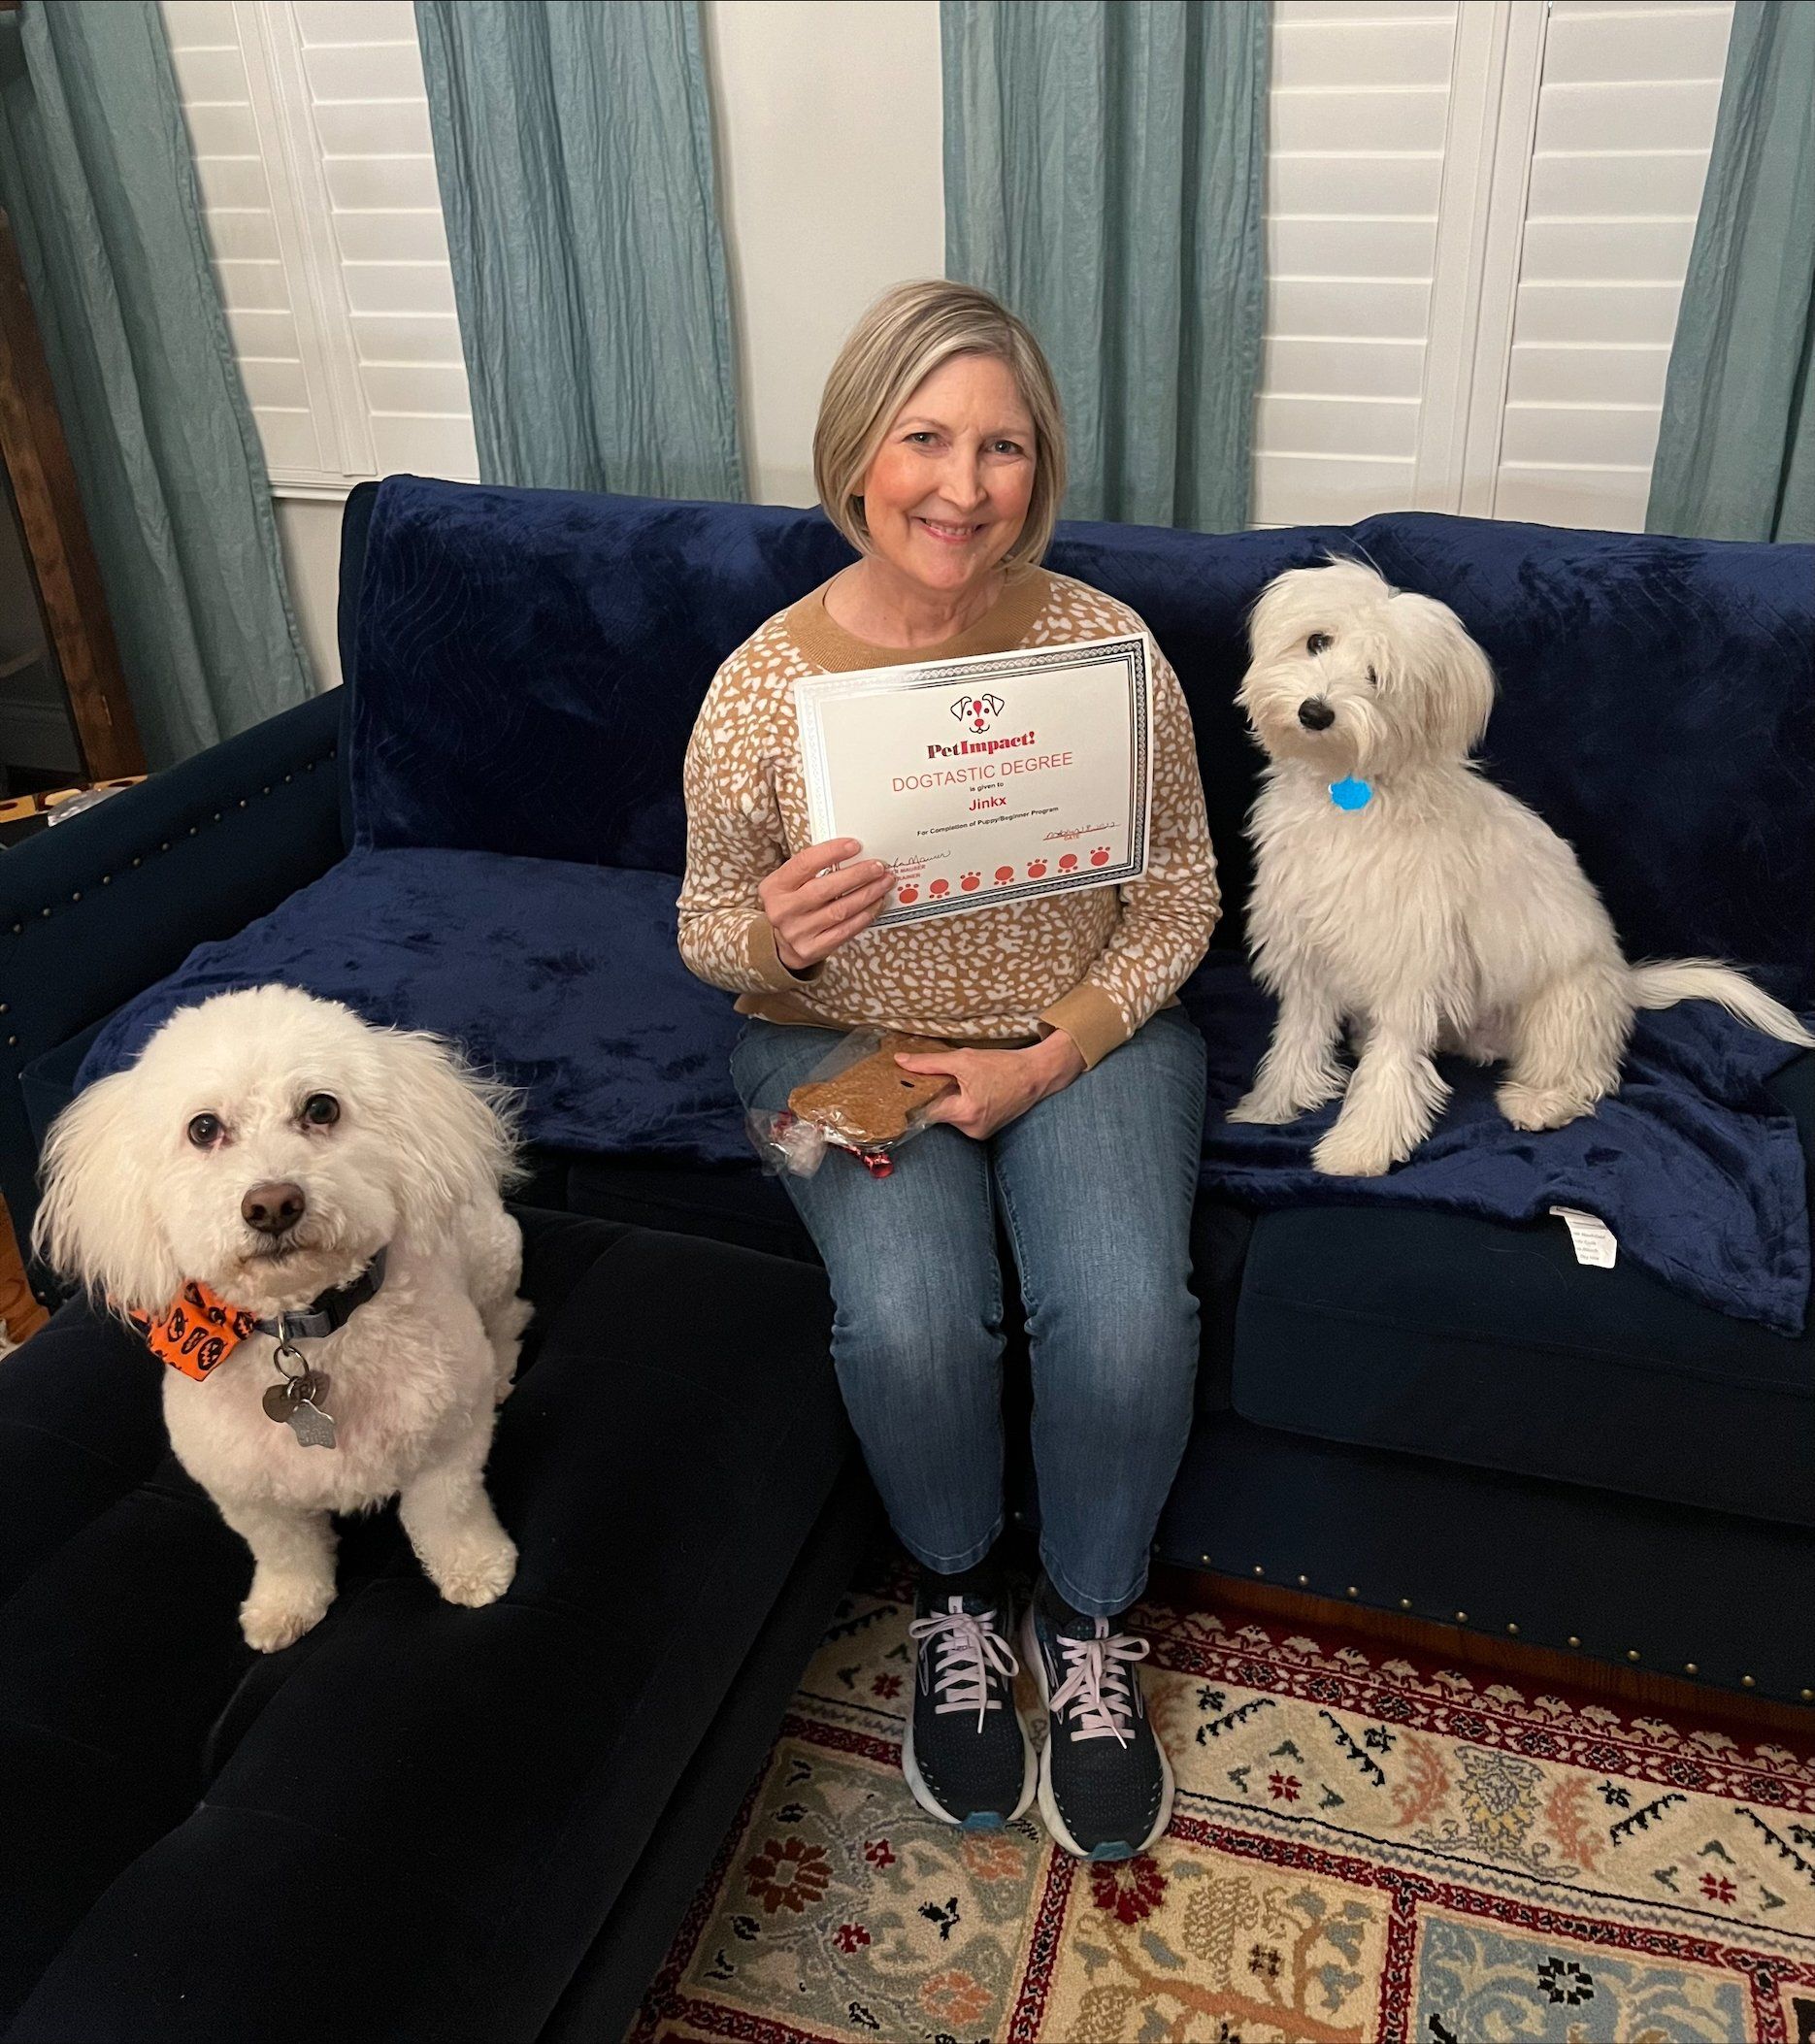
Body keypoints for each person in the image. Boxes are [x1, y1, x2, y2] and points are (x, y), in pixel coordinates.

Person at [677, 280, 1218, 1862]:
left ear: (1038, 467)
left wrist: (1055, 1054)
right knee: (911, 1317)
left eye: (1001, 445)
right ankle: (963, 1597)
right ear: (859, 452)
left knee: (1125, 1313)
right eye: (925, 436)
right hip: (842, 1042)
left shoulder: (1106, 646)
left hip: (1077, 1025)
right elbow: (706, 922)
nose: (961, 486)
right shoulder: (761, 687)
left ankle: (1090, 1618)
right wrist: (773, 940)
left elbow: (1180, 887)